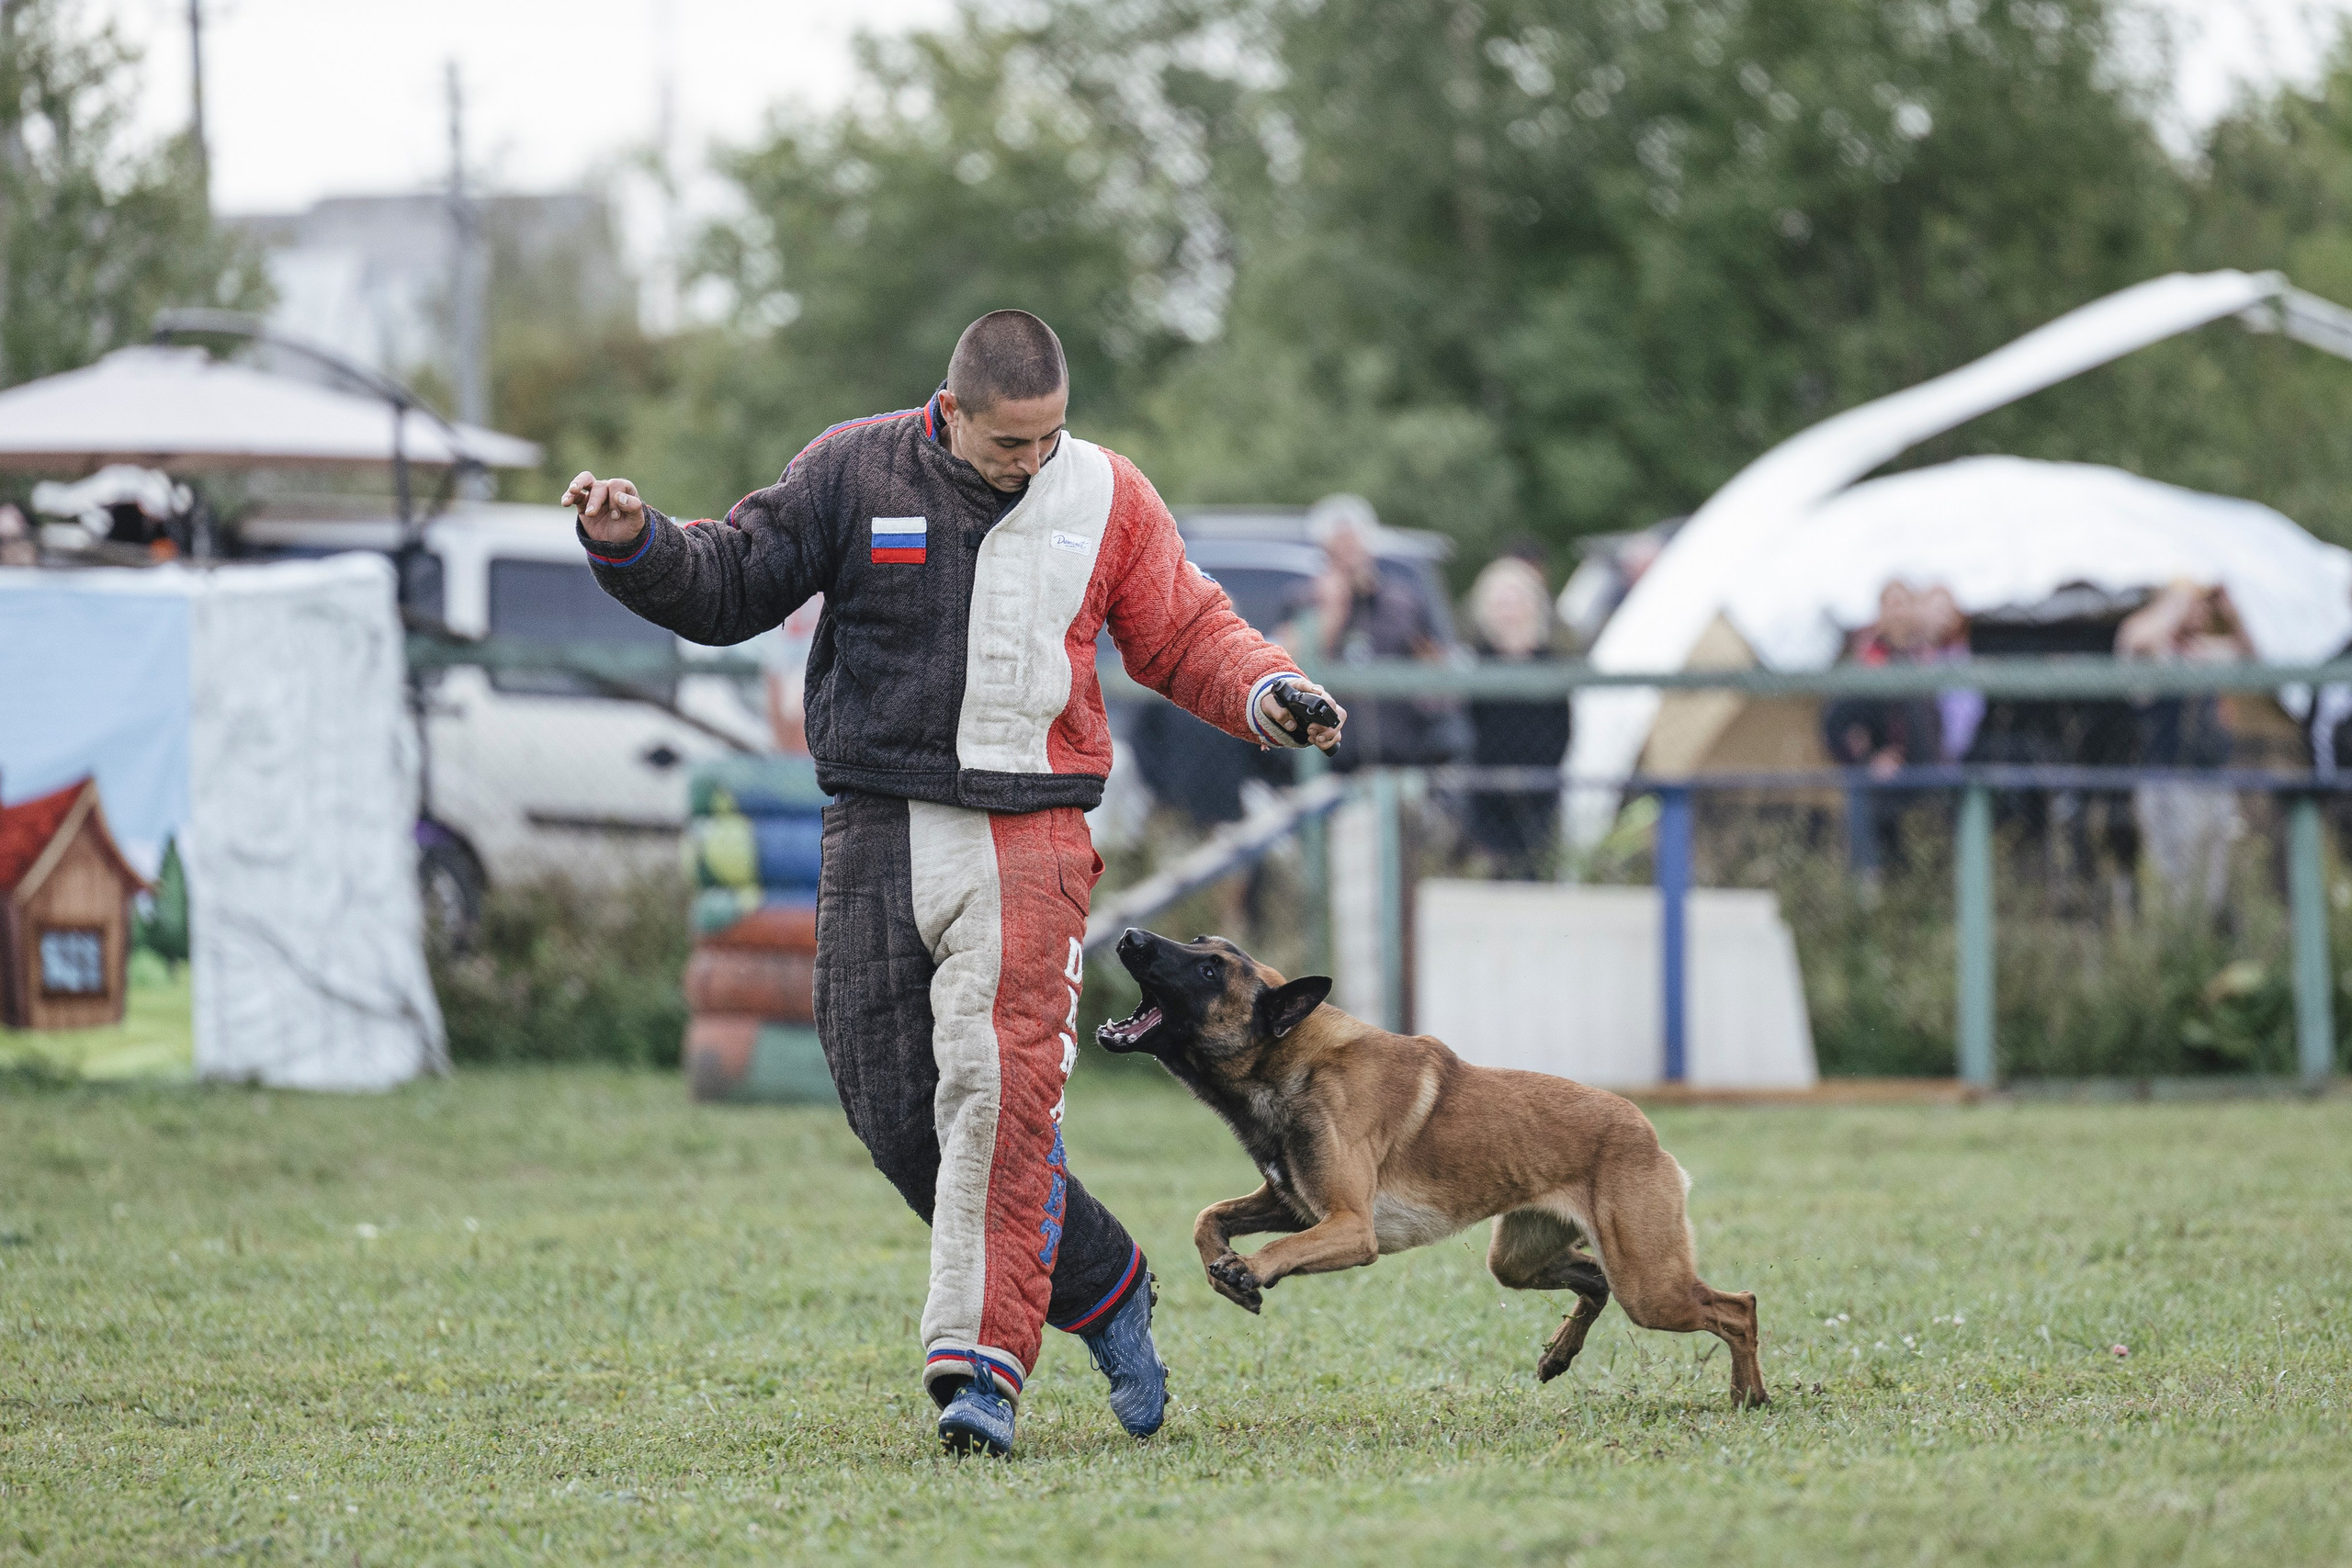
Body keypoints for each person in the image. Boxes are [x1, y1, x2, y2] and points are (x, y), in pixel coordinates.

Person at [564, 310, 1345, 1459]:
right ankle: (1105, 1279)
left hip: (1033, 830)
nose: (1032, 462)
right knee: (893, 1110)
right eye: (1008, 444)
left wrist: (1266, 689)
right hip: (875, 823)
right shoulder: (852, 469)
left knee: (996, 1094)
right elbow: (731, 583)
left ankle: (980, 1372)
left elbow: (1185, 630)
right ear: (951, 410)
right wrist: (635, 543)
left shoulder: (1110, 496)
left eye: (1049, 439)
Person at [1278, 494, 1452, 765]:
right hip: (1330, 759)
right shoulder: (1303, 601)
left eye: (1354, 544)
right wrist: (1333, 610)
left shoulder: (1403, 601)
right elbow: (1285, 665)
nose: (1350, 555)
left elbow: (1438, 670)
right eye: (1340, 548)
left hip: (1401, 757)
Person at [2117, 580, 2249, 913]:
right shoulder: (2151, 649)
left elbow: (2249, 653)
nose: (2200, 609)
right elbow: (2136, 637)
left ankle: (2203, 939)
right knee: (2172, 883)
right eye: (2195, 602)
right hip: (2167, 780)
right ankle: (2174, 940)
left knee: (2212, 889)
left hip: (2212, 778)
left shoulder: (2202, 652)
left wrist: (2231, 612)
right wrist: (2181, 592)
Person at [1463, 554, 1568, 878]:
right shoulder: (1474, 665)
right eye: (1500, 602)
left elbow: (1563, 729)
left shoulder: (1552, 665)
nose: (1507, 610)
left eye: (1514, 601)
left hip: (1539, 791)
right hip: (1486, 791)